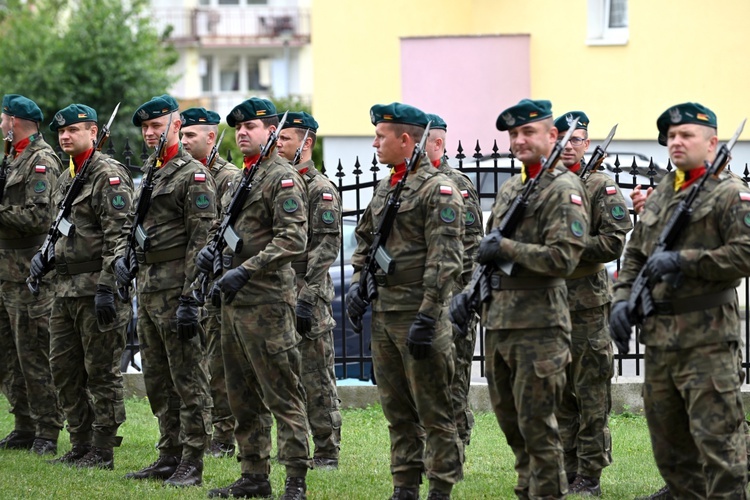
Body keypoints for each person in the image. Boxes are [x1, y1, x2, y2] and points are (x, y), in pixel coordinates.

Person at [451, 99, 589, 499]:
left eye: (528, 132)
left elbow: (565, 257)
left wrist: (508, 248)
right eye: (513, 134)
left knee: (539, 427)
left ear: (551, 136)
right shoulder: (514, 186)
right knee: (512, 424)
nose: (518, 140)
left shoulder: (564, 189)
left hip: (540, 326)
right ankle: (528, 488)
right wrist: (468, 295)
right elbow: (490, 257)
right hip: (500, 323)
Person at [611, 102, 750, 498]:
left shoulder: (730, 195)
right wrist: (622, 301)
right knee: (671, 454)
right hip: (659, 343)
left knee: (720, 451)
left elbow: (745, 254)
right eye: (671, 136)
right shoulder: (661, 196)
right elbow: (636, 254)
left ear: (711, 144)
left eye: (686, 135)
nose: (676, 142)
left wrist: (684, 261)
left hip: (706, 342)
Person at [346, 102, 464, 500]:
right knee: (397, 411)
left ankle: (441, 490)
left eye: (381, 136)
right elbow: (365, 239)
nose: (375, 142)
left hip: (419, 312)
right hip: (385, 312)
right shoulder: (387, 186)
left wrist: (429, 316)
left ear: (406, 140)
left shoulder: (439, 190)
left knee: (434, 411)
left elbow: (446, 259)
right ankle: (405, 487)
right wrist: (359, 283)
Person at [197, 97, 311, 500]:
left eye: (252, 127)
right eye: (239, 128)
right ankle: (253, 475)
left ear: (271, 132)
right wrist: (211, 250)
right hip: (233, 303)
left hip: (265, 302)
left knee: (282, 392)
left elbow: (294, 238)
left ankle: (295, 479)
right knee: (241, 395)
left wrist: (245, 269)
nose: (243, 133)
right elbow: (224, 228)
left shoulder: (281, 177)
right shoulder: (243, 178)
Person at [114, 94, 217, 487]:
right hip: (151, 289)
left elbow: (202, 241)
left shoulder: (193, 175)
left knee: (188, 379)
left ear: (176, 126)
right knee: (158, 379)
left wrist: (192, 297)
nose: (149, 133)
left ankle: (192, 459)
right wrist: (127, 261)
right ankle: (168, 453)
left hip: (179, 292)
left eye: (157, 125)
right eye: (145, 127)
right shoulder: (154, 172)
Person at [30, 104, 134, 469]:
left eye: (73, 130)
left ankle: (102, 448)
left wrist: (108, 286)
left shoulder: (107, 173)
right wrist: (46, 259)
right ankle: (79, 441)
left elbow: (118, 236)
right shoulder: (66, 177)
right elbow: (62, 230)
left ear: (93, 131)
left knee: (101, 370)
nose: (65, 136)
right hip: (65, 289)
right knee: (63, 367)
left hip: (96, 289)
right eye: (61, 132)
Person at [552, 111, 632, 496]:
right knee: (557, 391)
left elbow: (614, 241)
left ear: (586, 144)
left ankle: (590, 474)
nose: (568, 146)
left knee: (590, 390)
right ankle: (566, 467)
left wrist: (565, 249)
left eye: (576, 140)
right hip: (546, 303)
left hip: (585, 302)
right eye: (563, 139)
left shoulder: (600, 184)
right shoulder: (543, 183)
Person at [276, 111, 343, 469]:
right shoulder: (277, 182)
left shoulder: (319, 189)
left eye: (285, 138)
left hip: (308, 296)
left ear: (307, 142)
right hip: (278, 292)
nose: (278, 144)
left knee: (316, 377)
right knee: (284, 376)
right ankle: (293, 447)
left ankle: (327, 450)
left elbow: (326, 249)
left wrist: (307, 295)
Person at [0, 94, 64, 455]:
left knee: (33, 353)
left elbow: (38, 218)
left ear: (15, 121)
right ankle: (23, 424)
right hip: (5, 270)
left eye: (2, 119)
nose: (0, 126)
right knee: (9, 354)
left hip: (28, 272)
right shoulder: (11, 157)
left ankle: (47, 428)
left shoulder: (41, 161)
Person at [180, 106, 238, 459]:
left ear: (211, 137)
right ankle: (204, 429)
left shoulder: (228, 177)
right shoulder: (184, 173)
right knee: (197, 363)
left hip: (218, 284)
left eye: (191, 135)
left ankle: (225, 435)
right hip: (192, 282)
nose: (185, 141)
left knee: (219, 364)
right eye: (182, 135)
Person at [424, 113, 483, 449]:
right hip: (423, 297)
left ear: (438, 143)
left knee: (454, 374)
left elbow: (473, 244)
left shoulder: (457, 184)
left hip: (454, 296)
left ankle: (457, 441)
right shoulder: (411, 182)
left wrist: (463, 297)